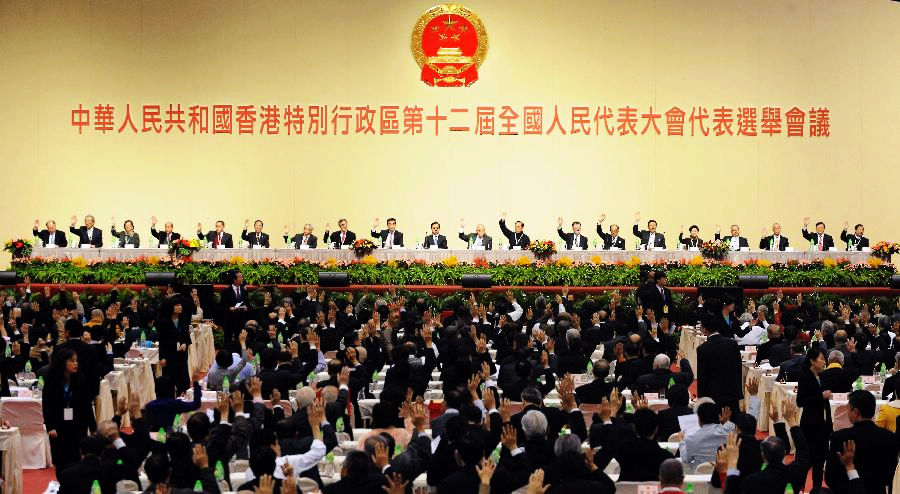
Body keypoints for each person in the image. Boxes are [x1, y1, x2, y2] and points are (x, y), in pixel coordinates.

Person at [825, 390, 898, 493]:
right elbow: (891, 474)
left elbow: (830, 477)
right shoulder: (889, 437)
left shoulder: (840, 437)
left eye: (848, 408)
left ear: (856, 412)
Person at [43, 348, 96, 471]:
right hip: (58, 426)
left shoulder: (80, 379)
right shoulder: (52, 380)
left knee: (76, 460)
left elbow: (87, 405)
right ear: (62, 363)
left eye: (76, 361)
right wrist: (50, 427)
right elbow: (47, 405)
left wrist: (93, 427)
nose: (76, 363)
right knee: (61, 462)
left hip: (78, 425)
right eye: (72, 361)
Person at [796, 347, 831, 489]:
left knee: (819, 462)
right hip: (810, 425)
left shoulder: (822, 376)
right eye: (822, 359)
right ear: (812, 360)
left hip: (822, 426)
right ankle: (800, 489)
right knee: (806, 462)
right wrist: (820, 396)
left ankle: (817, 490)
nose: (824, 362)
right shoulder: (805, 377)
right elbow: (800, 401)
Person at [696, 314, 742, 411]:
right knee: (733, 423)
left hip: (714, 395)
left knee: (715, 424)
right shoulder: (732, 343)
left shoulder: (703, 349)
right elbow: (739, 369)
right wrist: (738, 390)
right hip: (732, 392)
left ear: (704, 329)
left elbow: (702, 376)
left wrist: (701, 398)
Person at [679, 402, 735, 466]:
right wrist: (722, 422)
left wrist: (682, 441)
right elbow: (730, 427)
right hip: (723, 473)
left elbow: (685, 459)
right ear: (719, 417)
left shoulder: (692, 437)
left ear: (699, 419)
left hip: (700, 474)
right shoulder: (729, 433)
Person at [158, 299, 192, 394]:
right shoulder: (164, 322)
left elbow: (187, 337)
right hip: (169, 356)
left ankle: (183, 401)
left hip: (181, 355)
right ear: (171, 307)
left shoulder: (184, 320)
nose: (180, 307)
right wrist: (162, 357)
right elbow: (162, 341)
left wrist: (185, 343)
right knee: (169, 381)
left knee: (183, 381)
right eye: (177, 305)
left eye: (180, 305)